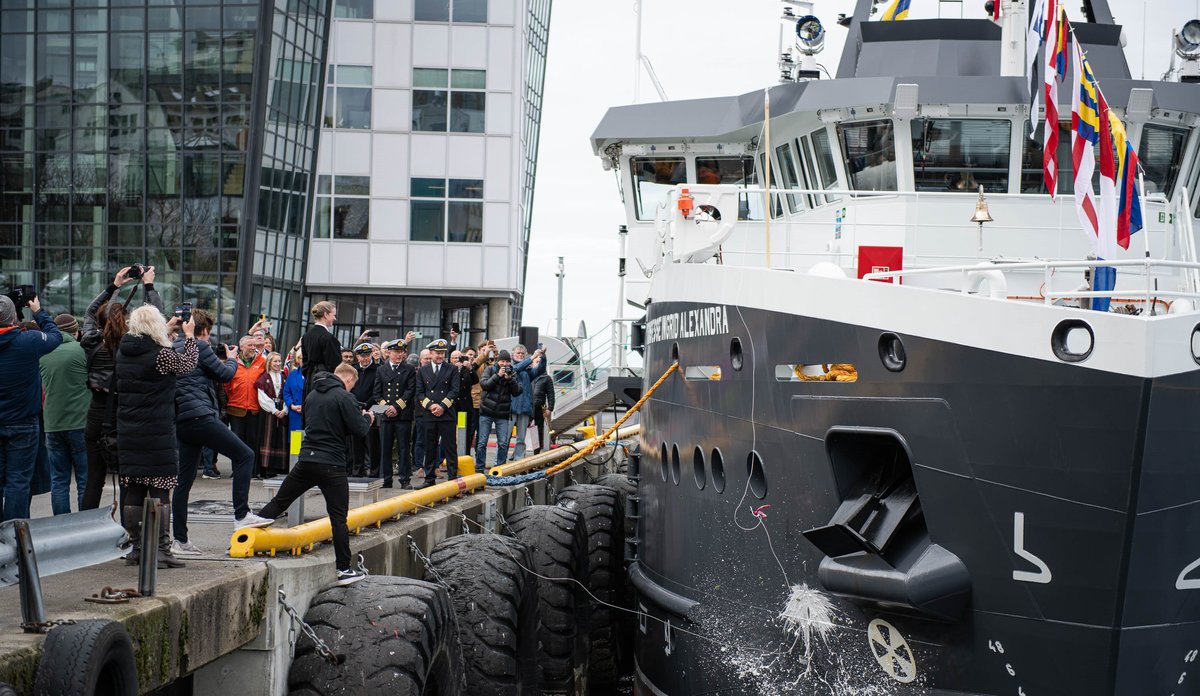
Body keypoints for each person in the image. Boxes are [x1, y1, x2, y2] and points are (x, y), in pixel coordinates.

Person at [254, 363, 373, 586]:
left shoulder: (311, 395)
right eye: (352, 385)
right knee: (338, 518)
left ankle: (245, 537)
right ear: (348, 380)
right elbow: (360, 430)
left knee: (279, 502)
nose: (351, 390)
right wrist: (367, 418)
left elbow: (320, 424)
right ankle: (344, 570)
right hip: (332, 465)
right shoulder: (344, 397)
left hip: (306, 460)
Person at [171, 310, 270, 557]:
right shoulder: (201, 346)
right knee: (245, 455)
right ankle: (241, 515)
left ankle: (179, 540)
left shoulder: (172, 347)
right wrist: (232, 358)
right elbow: (225, 374)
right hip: (201, 416)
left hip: (181, 419)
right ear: (203, 331)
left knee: (184, 480)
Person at [115, 305, 197, 568]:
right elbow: (188, 364)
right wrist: (190, 336)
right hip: (157, 431)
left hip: (129, 431)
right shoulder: (161, 355)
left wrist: (168, 331)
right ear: (155, 326)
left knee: (134, 489)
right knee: (160, 488)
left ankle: (137, 548)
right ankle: (161, 550)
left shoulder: (124, 351)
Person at [79, 266, 162, 510]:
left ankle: (87, 533)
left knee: (93, 480)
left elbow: (91, 311)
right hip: (126, 416)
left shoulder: (90, 341)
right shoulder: (134, 345)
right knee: (128, 481)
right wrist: (148, 286)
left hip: (96, 414)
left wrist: (114, 286)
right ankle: (129, 535)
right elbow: (155, 318)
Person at [0, 294, 61, 521]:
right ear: (14, 317)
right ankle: (14, 535)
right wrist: (38, 311)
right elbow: (55, 336)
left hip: (15, 420)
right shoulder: (28, 341)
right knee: (18, 481)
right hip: (23, 422)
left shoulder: (27, 340)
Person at [40, 313, 89, 515]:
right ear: (76, 332)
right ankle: (85, 525)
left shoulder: (42, 353)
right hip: (80, 423)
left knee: (58, 480)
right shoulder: (82, 351)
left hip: (52, 424)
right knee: (85, 478)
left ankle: (62, 526)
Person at [415, 339, 459, 487]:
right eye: (437, 353)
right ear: (431, 353)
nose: (440, 356)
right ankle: (429, 478)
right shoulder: (423, 370)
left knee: (450, 448)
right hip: (429, 414)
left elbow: (454, 390)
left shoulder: (451, 369)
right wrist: (432, 406)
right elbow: (420, 393)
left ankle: (453, 479)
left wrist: (442, 407)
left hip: (447, 414)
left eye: (442, 353)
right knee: (430, 446)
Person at [373, 339, 415, 487]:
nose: (399, 355)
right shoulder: (381, 370)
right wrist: (387, 408)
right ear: (388, 353)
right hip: (386, 415)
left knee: (404, 448)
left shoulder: (409, 369)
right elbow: (377, 393)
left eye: (401, 352)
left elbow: (410, 391)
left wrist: (396, 407)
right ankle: (386, 478)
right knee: (385, 447)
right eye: (395, 352)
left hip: (403, 414)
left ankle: (405, 479)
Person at [226, 336, 267, 477]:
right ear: (241, 347)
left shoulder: (262, 362)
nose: (252, 347)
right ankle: (236, 470)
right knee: (236, 441)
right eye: (249, 345)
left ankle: (252, 471)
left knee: (253, 441)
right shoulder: (233, 363)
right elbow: (226, 385)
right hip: (236, 408)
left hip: (255, 409)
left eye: (253, 345)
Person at [476, 350, 522, 471]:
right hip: (486, 411)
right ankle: (479, 468)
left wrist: (509, 379)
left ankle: (499, 469)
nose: (504, 364)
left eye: (507, 361)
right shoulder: (490, 370)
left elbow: (517, 392)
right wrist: (498, 376)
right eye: (502, 361)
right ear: (498, 361)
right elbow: (484, 385)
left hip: (503, 414)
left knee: (503, 443)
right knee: (482, 442)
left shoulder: (512, 373)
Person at [508, 344, 547, 461]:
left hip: (524, 408)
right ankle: (499, 461)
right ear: (512, 355)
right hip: (511, 408)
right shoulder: (509, 367)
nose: (520, 355)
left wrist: (543, 356)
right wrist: (532, 357)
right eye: (518, 353)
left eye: (522, 354)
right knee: (505, 437)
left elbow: (540, 370)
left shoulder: (528, 371)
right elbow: (516, 369)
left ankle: (518, 460)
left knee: (521, 438)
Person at [256, 352, 290, 478]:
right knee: (268, 438)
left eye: (279, 361)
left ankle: (280, 467)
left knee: (280, 438)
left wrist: (285, 410)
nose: (278, 364)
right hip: (268, 413)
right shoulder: (264, 377)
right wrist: (274, 410)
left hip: (282, 410)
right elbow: (262, 397)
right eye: (275, 361)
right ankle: (267, 469)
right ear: (269, 363)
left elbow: (288, 393)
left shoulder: (284, 376)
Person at [348, 342, 380, 477]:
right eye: (362, 356)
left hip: (372, 410)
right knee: (356, 443)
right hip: (355, 410)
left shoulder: (378, 369)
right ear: (357, 356)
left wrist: (367, 406)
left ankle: (374, 472)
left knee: (372, 443)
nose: (365, 358)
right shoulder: (353, 369)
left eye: (367, 355)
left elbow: (378, 391)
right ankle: (357, 470)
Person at [300, 301, 342, 398]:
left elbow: (304, 364)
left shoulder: (306, 336)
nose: (334, 318)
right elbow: (335, 366)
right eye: (333, 315)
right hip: (325, 385)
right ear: (325, 315)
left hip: (309, 383)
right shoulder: (328, 338)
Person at [411, 348, 432, 477]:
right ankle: (419, 466)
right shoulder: (415, 373)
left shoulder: (435, 371)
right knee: (420, 440)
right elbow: (417, 393)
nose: (428, 361)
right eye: (426, 358)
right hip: (420, 411)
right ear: (420, 360)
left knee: (433, 440)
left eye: (430, 358)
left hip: (435, 411)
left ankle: (432, 466)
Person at [532, 368, 556, 455]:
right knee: (524, 430)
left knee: (538, 431)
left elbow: (551, 394)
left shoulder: (546, 378)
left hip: (538, 409)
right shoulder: (528, 374)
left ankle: (536, 452)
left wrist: (550, 408)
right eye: (536, 361)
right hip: (527, 408)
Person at [282, 350, 305, 435]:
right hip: (295, 413)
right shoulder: (292, 374)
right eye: (301, 358)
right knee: (295, 445)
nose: (304, 361)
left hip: (309, 415)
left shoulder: (314, 374)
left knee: (308, 444)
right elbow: (286, 392)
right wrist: (292, 405)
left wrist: (305, 407)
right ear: (298, 360)